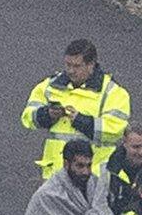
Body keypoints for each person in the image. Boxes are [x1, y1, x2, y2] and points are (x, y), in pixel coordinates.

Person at [21, 39, 131, 179]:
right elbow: (27, 117)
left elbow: (115, 130)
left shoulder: (113, 93)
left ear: (91, 65)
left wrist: (80, 120)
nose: (71, 71)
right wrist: (47, 115)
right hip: (56, 174)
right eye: (68, 65)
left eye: (77, 66)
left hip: (93, 176)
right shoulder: (50, 85)